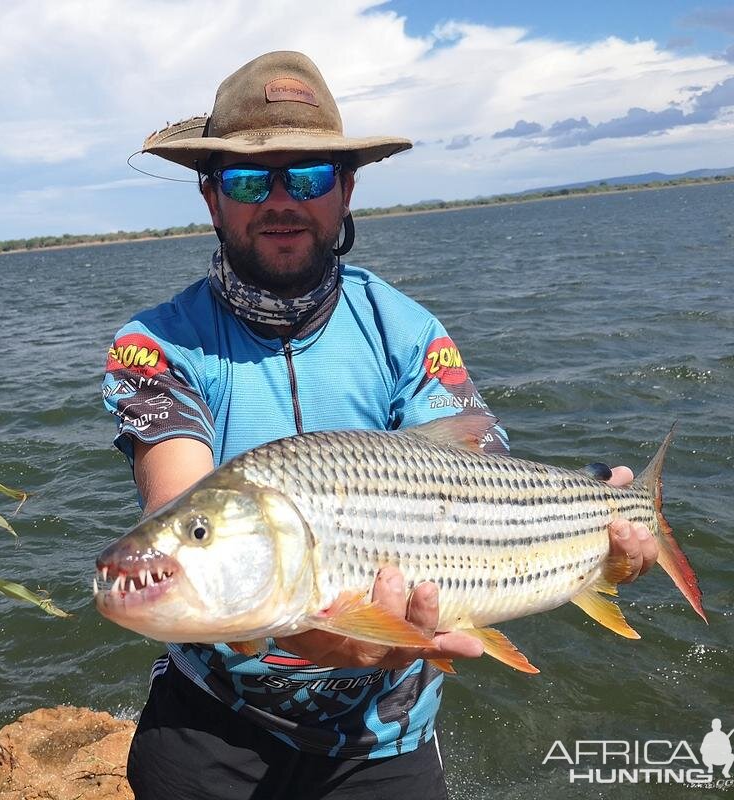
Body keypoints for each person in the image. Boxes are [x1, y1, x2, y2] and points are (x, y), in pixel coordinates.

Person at [101, 51, 657, 800]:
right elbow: (180, 502)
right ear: (209, 197)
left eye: (308, 176)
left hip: (382, 739)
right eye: (245, 179)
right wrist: (298, 631)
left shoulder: (408, 330)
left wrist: (590, 540)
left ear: (347, 188)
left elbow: (477, 469)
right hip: (211, 726)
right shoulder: (154, 344)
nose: (280, 200)